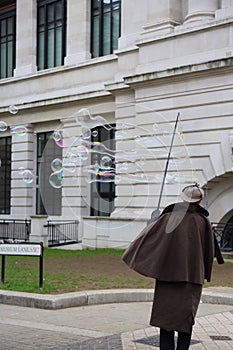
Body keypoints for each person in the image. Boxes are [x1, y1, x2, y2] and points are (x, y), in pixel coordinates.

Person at [122, 184, 224, 350]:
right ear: (200, 200)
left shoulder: (169, 217)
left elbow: (149, 240)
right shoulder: (203, 221)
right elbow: (209, 251)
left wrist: (152, 223)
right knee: (185, 322)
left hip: (167, 276)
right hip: (191, 278)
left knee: (166, 321)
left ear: (183, 198)